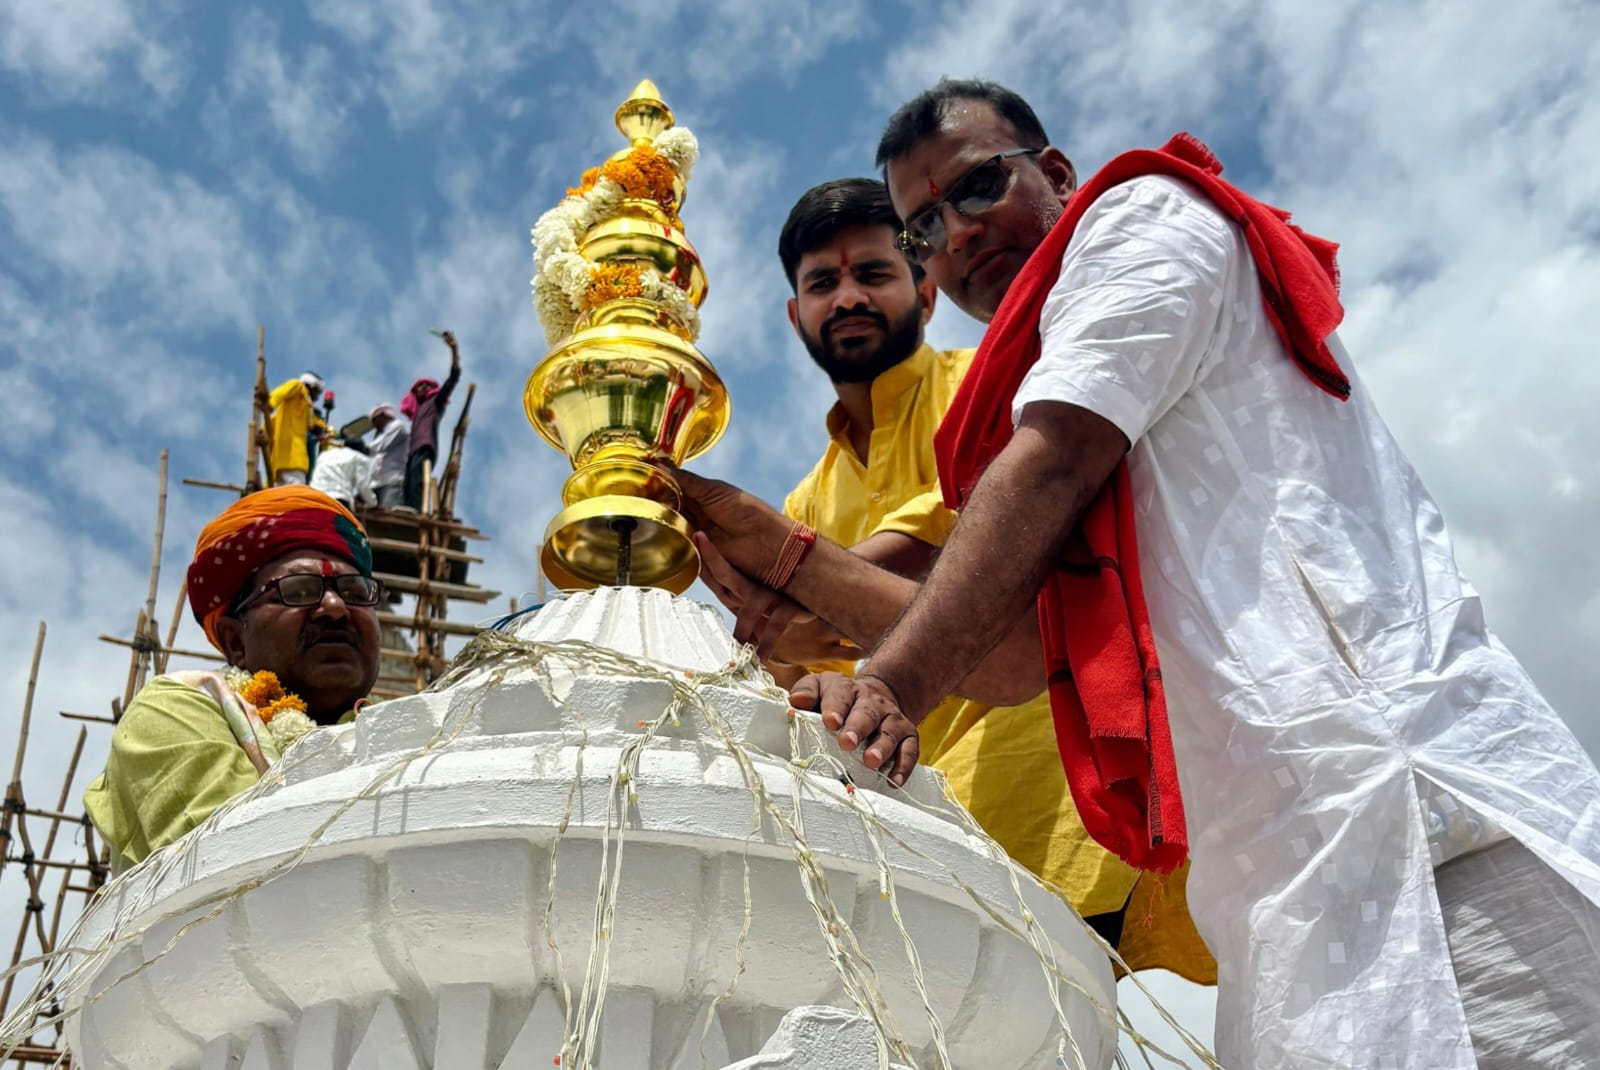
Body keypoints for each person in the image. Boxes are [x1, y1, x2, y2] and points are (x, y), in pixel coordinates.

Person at [679, 80, 1600, 1068]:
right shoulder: (1009, 395)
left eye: (978, 186)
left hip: (1420, 807)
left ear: (1056, 172)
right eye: (926, 226)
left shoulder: (1142, 221)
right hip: (1272, 889)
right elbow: (1015, 656)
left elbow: (1054, 459)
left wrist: (886, 677)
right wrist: (772, 550)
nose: (957, 232)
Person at [692, 176, 1210, 979]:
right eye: (823, 283)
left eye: (874, 273)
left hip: (1048, 785)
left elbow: (959, 544)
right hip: (900, 824)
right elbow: (794, 673)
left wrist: (794, 573)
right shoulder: (807, 499)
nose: (848, 298)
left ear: (926, 293)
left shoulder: (997, 389)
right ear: (795, 316)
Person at [84, 487, 381, 872]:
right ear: (235, 641)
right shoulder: (175, 708)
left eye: (355, 592)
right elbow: (234, 865)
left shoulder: (407, 728)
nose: (335, 607)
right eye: (298, 591)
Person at [402, 331, 461, 511]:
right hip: (412, 451)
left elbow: (453, 378)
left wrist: (454, 350)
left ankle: (417, 511)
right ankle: (409, 510)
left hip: (425, 445)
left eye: (426, 385)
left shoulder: (435, 402)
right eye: (419, 386)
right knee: (407, 485)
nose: (422, 387)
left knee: (418, 481)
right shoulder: (418, 411)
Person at [267, 372, 330, 486]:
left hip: (279, 462)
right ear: (311, 385)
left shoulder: (303, 407)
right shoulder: (297, 386)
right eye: (317, 391)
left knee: (280, 493)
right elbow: (280, 393)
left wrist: (326, 431)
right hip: (294, 459)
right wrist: (270, 404)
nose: (317, 397)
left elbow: (315, 423)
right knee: (297, 490)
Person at [309, 436, 375, 511]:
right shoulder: (360, 458)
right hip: (337, 499)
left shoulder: (324, 455)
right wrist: (372, 503)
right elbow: (363, 486)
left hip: (313, 497)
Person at [368, 403, 409, 509]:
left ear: (383, 415)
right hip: (375, 484)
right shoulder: (380, 435)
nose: (374, 424)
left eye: (374, 420)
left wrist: (362, 448)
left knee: (390, 513)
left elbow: (381, 446)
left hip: (391, 481)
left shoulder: (397, 426)